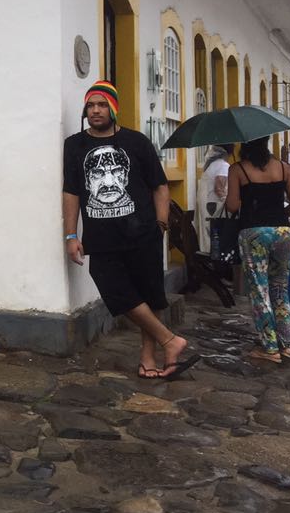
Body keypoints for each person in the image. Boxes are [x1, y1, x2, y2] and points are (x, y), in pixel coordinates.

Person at [63, 80, 198, 380]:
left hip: (142, 232)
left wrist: (161, 224)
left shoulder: (137, 142)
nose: (95, 111)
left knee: (149, 294)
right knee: (115, 290)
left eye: (101, 105)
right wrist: (71, 235)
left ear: (113, 109)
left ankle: (149, 358)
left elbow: (160, 186)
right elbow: (71, 191)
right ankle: (170, 341)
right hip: (101, 238)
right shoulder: (75, 145)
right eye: (90, 105)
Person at [226, 137, 290, 363]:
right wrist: (279, 217)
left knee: (260, 290)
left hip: (253, 232)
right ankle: (286, 344)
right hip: (282, 231)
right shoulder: (283, 167)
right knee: (280, 287)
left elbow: (232, 206)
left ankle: (270, 348)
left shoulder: (237, 169)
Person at [195, 145, 230, 251]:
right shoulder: (223, 166)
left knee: (208, 238)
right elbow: (219, 189)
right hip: (215, 207)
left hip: (207, 206)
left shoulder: (211, 165)